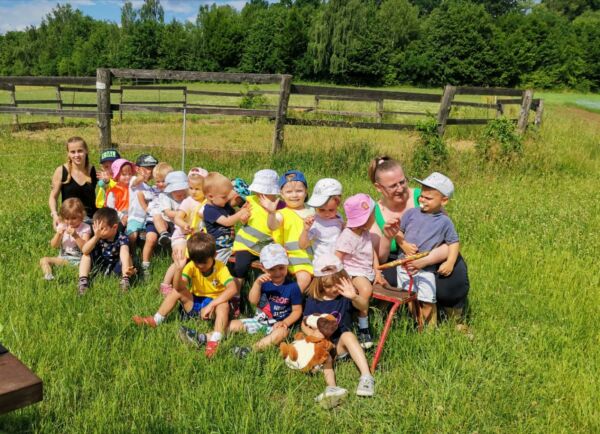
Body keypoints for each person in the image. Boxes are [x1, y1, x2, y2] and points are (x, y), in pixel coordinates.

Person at [368, 156, 469, 318]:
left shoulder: (424, 196)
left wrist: (425, 261)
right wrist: (388, 237)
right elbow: (381, 258)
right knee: (390, 280)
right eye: (393, 185)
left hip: (434, 254)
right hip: (400, 259)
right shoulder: (374, 211)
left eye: (402, 182)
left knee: (452, 280)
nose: (400, 188)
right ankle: (412, 317)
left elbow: (449, 241)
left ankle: (454, 318)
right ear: (379, 187)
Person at [132, 232, 237, 358]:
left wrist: (212, 305)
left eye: (204, 262)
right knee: (175, 292)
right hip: (195, 303)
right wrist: (178, 269)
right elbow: (178, 287)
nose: (200, 266)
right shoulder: (192, 266)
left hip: (213, 307)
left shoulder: (220, 268)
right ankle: (156, 320)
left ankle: (215, 340)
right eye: (197, 262)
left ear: (214, 255)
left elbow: (233, 289)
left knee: (224, 305)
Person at [304, 255, 375, 409]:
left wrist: (354, 296)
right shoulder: (313, 300)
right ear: (319, 284)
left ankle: (366, 376)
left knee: (348, 335)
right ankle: (332, 388)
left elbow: (363, 307)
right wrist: (312, 333)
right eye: (328, 286)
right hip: (323, 348)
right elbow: (304, 322)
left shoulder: (345, 297)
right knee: (323, 349)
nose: (334, 289)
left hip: (340, 346)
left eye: (337, 284)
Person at [392, 172, 460, 324]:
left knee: (428, 300)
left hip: (426, 270)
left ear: (444, 201)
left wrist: (450, 262)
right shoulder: (410, 213)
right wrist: (404, 244)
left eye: (428, 198)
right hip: (404, 266)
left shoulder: (444, 222)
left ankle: (427, 328)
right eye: (421, 196)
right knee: (409, 298)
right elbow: (398, 233)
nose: (422, 200)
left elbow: (453, 242)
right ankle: (416, 324)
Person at [228, 243, 302, 358]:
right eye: (272, 269)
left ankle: (250, 350)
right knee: (232, 324)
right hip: (258, 321)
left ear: (287, 265)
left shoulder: (292, 287)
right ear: (263, 267)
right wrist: (257, 284)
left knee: (282, 333)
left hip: (277, 325)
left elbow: (297, 310)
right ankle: (207, 337)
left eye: (281, 268)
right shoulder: (262, 282)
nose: (277, 272)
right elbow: (253, 301)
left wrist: (285, 323)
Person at [335, 194, 383, 349]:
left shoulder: (364, 231)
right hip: (353, 271)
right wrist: (342, 277)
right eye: (373, 214)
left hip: (366, 270)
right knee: (366, 289)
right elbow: (338, 257)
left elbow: (372, 251)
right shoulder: (348, 236)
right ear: (365, 218)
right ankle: (363, 326)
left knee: (377, 288)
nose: (375, 217)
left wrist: (377, 270)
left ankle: (359, 313)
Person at [264, 170, 315, 292]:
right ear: (281, 194)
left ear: (306, 191)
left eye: (299, 191)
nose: (294, 195)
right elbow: (273, 225)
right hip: (295, 257)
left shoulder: (313, 210)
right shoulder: (283, 214)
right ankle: (288, 303)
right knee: (304, 278)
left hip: (316, 256)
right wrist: (271, 213)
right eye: (289, 192)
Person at [231, 169, 280, 289]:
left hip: (267, 244)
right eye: (258, 191)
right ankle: (236, 292)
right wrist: (243, 218)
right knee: (240, 266)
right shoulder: (251, 200)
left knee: (274, 267)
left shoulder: (279, 206)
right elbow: (243, 218)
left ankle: (270, 293)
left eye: (264, 192)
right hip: (246, 243)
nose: (260, 194)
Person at [77, 208, 135, 294]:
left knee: (127, 257)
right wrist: (96, 237)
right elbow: (84, 250)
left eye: (102, 228)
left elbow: (124, 253)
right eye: (95, 227)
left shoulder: (122, 237)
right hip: (99, 265)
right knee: (86, 255)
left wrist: (127, 269)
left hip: (115, 268)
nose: (97, 231)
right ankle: (83, 282)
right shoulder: (97, 236)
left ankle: (125, 280)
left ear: (114, 227)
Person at [202, 172, 250, 264]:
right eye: (224, 197)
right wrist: (241, 213)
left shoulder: (223, 204)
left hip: (230, 244)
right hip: (218, 248)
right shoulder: (209, 210)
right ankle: (215, 277)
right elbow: (227, 222)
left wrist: (244, 209)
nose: (227, 198)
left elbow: (235, 215)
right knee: (218, 266)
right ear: (211, 196)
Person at [49, 136, 97, 225]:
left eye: (80, 151)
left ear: (86, 151)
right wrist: (55, 215)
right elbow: (53, 197)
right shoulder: (61, 171)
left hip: (90, 219)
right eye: (73, 152)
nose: (76, 155)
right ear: (68, 154)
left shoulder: (93, 170)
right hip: (69, 219)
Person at [39, 198, 91, 280]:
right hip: (63, 258)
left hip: (78, 260)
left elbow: (85, 249)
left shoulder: (85, 228)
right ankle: (48, 276)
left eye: (74, 218)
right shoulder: (63, 226)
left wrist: (75, 235)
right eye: (67, 218)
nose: (70, 222)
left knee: (81, 267)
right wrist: (58, 234)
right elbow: (54, 245)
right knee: (44, 260)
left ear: (81, 216)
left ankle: (79, 273)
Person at [299, 178, 344, 264]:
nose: (327, 214)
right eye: (321, 210)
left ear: (338, 205)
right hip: (323, 263)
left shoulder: (338, 217)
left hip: (339, 260)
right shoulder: (314, 222)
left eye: (331, 210)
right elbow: (302, 245)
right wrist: (306, 229)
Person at [143, 162, 173, 277]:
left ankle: (173, 267)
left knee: (175, 241)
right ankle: (145, 266)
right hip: (153, 219)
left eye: (163, 181)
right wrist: (146, 208)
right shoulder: (153, 190)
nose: (160, 184)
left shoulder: (173, 192)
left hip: (169, 220)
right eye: (157, 181)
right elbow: (141, 194)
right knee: (151, 238)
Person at [126, 154, 158, 252]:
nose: (151, 171)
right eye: (147, 168)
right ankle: (131, 253)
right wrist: (142, 176)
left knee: (151, 236)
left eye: (153, 168)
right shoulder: (134, 181)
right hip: (134, 217)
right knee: (133, 236)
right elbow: (136, 182)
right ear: (138, 169)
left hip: (146, 219)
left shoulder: (151, 188)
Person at [106, 158, 134, 227]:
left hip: (132, 215)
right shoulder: (113, 191)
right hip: (118, 217)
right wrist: (121, 216)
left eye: (130, 174)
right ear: (117, 176)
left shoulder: (133, 187)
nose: (128, 177)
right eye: (124, 174)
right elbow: (111, 208)